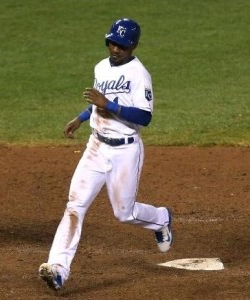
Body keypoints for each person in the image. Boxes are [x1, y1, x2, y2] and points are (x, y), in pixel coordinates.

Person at [39, 18, 173, 291]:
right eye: (112, 43)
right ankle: (58, 269)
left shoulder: (139, 74)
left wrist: (108, 104)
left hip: (125, 150)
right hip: (95, 148)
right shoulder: (101, 67)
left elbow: (145, 117)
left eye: (121, 45)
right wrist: (80, 117)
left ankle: (160, 218)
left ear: (133, 45)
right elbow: (98, 103)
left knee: (124, 213)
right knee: (74, 206)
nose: (115, 49)